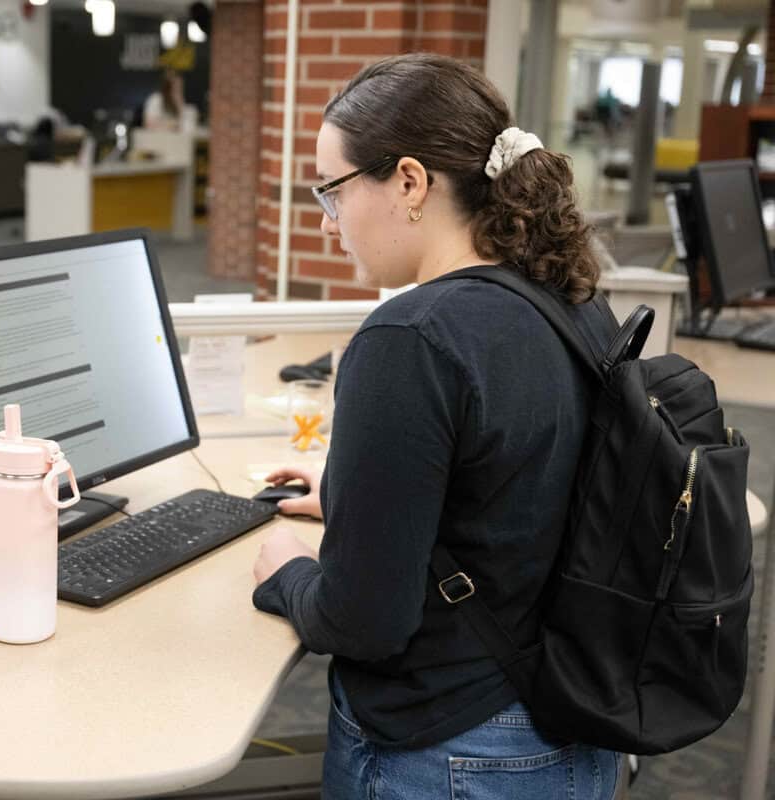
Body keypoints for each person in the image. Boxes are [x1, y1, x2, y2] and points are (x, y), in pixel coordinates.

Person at [250, 53, 621, 799]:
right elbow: (526, 493)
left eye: (333, 191)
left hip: (451, 748)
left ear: (411, 182)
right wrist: (364, 494)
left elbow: (362, 623)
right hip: (573, 729)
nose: (330, 225)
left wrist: (286, 575)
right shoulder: (571, 300)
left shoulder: (410, 338)